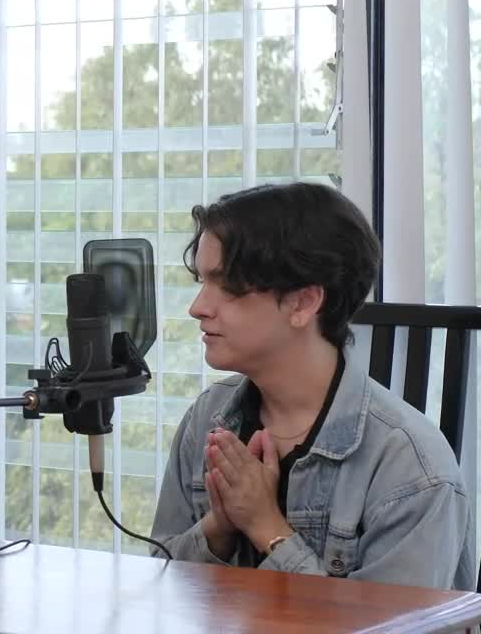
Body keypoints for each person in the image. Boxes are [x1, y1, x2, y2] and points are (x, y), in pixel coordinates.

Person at [149, 182, 475, 591]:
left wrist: (266, 526)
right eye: (201, 282)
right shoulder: (207, 418)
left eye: (227, 286)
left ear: (303, 304)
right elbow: (158, 588)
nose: (198, 307)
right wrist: (219, 526)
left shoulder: (412, 469)